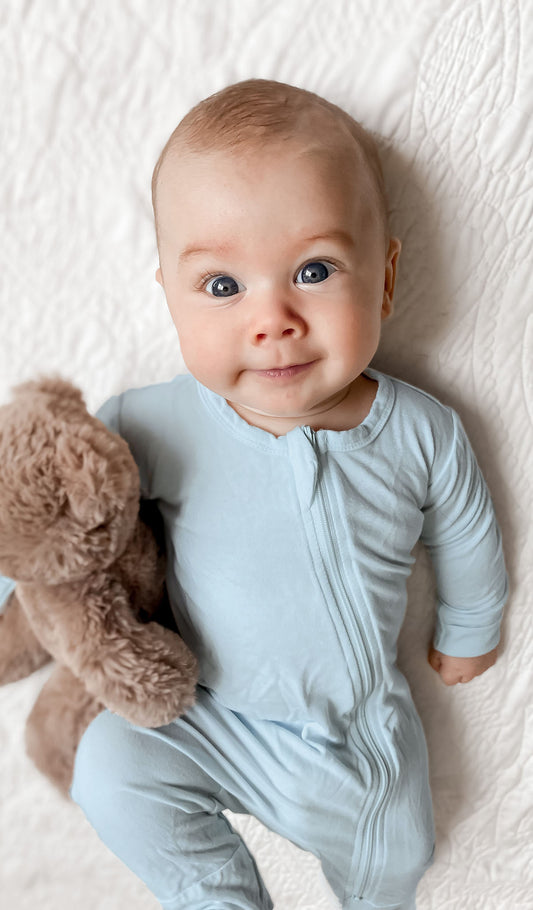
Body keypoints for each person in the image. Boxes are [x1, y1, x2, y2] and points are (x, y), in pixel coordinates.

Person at [13, 79, 510, 909]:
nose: (272, 318)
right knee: (111, 765)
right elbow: (57, 514)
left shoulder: (419, 431)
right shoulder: (154, 423)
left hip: (355, 747)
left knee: (396, 859)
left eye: (313, 271)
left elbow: (464, 530)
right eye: (222, 287)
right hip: (210, 716)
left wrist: (469, 625)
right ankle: (217, 896)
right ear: (170, 300)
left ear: (384, 280)